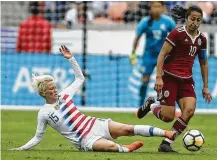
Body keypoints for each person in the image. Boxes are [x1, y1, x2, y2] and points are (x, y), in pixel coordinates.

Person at [9, 45, 175, 152]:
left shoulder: (65, 95)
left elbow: (79, 78)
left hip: (95, 124)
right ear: (43, 93)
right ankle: (125, 149)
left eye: (54, 86)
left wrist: (71, 59)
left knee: (128, 129)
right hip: (84, 140)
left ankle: (165, 132)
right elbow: (38, 137)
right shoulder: (43, 113)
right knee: (110, 147)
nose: (55, 90)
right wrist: (20, 149)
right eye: (51, 88)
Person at [136, 5, 213, 152]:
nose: (195, 22)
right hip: (169, 77)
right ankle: (152, 105)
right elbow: (162, 54)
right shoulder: (176, 33)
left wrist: (205, 86)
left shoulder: (202, 39)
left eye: (198, 20)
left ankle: (166, 142)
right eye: (192, 19)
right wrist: (159, 77)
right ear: (186, 18)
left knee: (189, 110)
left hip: (186, 80)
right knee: (168, 116)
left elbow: (203, 62)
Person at [129, 1, 176, 106]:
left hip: (163, 56)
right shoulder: (145, 22)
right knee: (145, 80)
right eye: (154, 6)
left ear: (163, 8)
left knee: (166, 81)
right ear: (150, 8)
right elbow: (137, 38)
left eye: (159, 6)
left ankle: (166, 105)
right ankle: (140, 105)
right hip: (149, 56)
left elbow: (176, 38)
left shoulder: (168, 22)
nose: (156, 9)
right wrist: (133, 53)